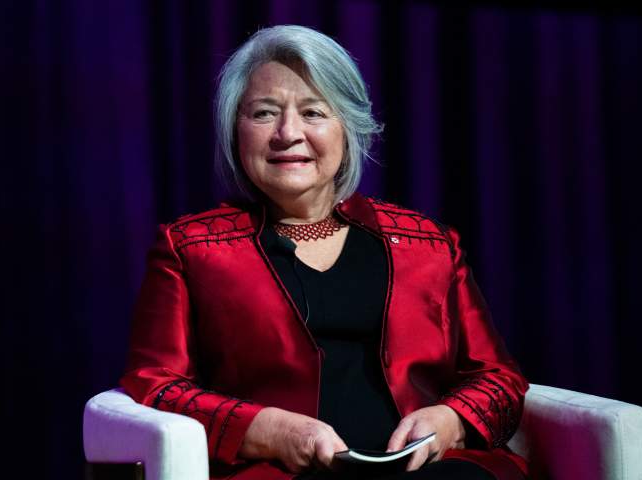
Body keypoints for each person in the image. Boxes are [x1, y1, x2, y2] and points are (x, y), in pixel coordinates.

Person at [120, 25, 529, 480]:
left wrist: (449, 420)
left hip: (427, 470)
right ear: (235, 131)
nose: (287, 133)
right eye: (263, 113)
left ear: (348, 128)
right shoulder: (191, 248)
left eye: (313, 112)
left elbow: (498, 379)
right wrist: (266, 429)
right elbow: (154, 386)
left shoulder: (429, 244)